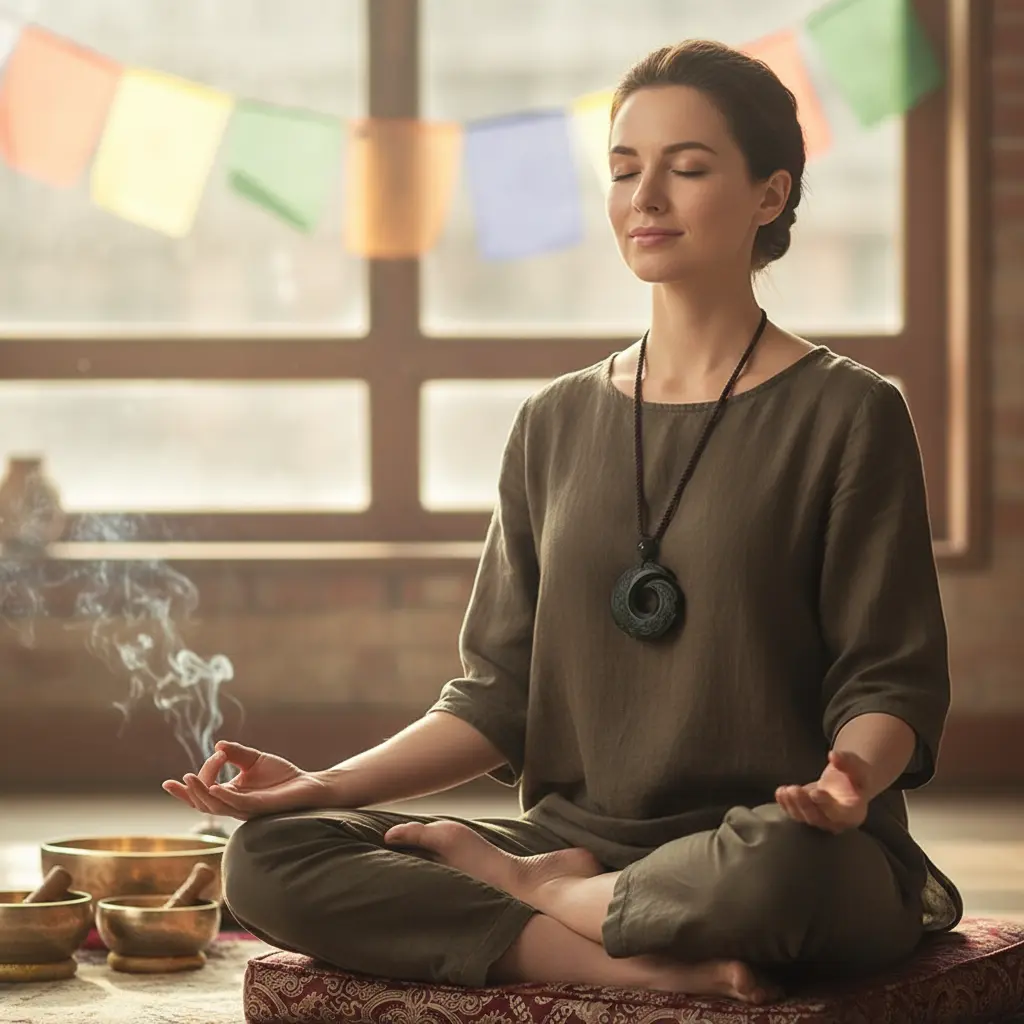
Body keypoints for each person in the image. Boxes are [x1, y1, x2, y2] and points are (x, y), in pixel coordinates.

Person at [163, 39, 962, 1005]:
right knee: (271, 858)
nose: (646, 198)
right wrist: (324, 785)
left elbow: (890, 679)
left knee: (781, 877)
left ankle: (541, 899)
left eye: (689, 168)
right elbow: (495, 697)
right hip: (577, 839)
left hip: (768, 843)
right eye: (625, 169)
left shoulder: (850, 411)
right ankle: (610, 945)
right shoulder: (555, 419)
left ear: (769, 195)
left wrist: (847, 783)